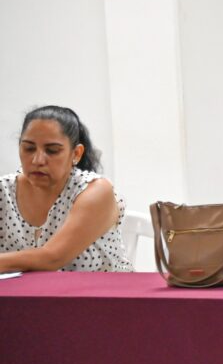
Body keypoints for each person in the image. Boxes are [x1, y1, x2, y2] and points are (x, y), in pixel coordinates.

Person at [0, 106, 132, 273]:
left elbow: (52, 258)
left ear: (76, 153)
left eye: (52, 151)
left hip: (105, 289)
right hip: (25, 290)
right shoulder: (4, 190)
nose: (38, 160)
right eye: (29, 148)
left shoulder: (95, 190)